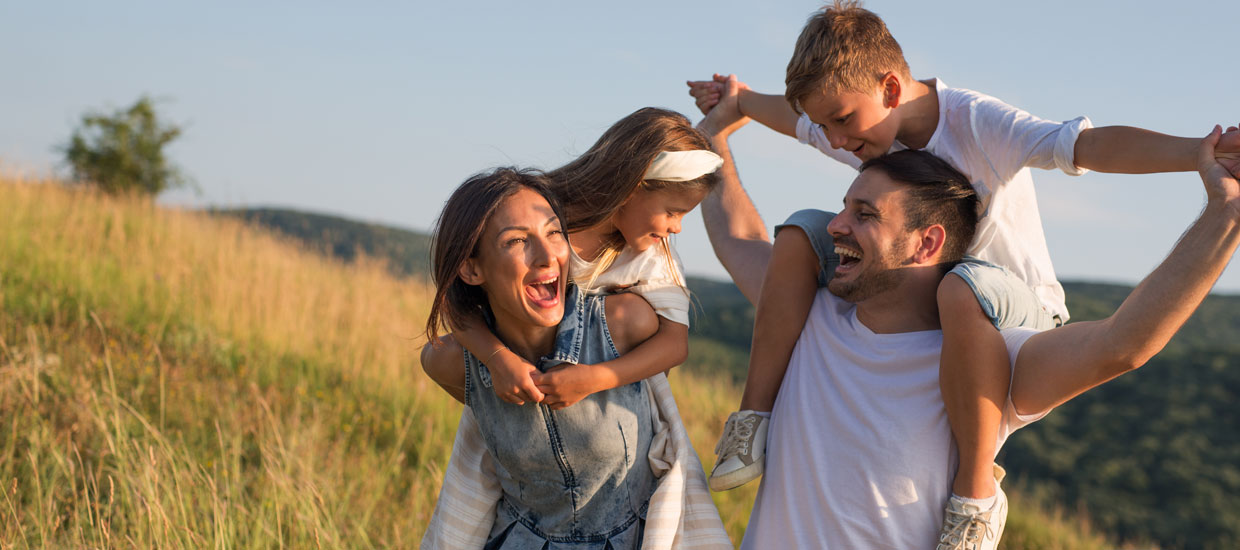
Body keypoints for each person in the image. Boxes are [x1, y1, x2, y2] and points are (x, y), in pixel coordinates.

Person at [687, 3, 1240, 545]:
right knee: (800, 229)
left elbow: (1088, 148)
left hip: (1011, 305)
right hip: (951, 297)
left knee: (962, 286)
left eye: (865, 213)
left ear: (890, 88)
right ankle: (751, 417)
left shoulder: (978, 124)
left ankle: (974, 495)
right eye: (847, 206)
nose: (833, 140)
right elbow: (786, 142)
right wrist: (733, 110)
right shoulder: (814, 313)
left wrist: (1203, 158)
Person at [418, 168, 729, 549]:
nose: (547, 256)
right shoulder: (450, 362)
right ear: (471, 268)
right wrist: (498, 359)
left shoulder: (624, 325)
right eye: (517, 240)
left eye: (554, 233)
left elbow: (673, 351)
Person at [423, 107, 720, 411]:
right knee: (438, 353)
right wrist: (498, 359)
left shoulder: (653, 258)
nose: (677, 227)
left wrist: (594, 379)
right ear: (632, 187)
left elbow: (674, 345)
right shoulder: (538, 212)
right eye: (672, 212)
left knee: (636, 316)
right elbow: (458, 300)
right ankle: (512, 423)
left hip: (599, 397)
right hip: (519, 375)